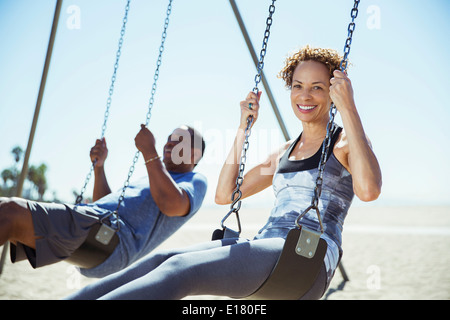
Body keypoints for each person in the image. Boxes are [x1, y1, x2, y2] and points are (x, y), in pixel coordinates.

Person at [65, 45, 382, 299]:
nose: (305, 95)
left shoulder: (344, 142)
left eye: (317, 87)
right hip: (268, 250)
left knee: (181, 270)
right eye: (298, 86)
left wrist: (350, 107)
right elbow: (225, 195)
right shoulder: (285, 151)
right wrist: (243, 129)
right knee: (161, 261)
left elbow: (369, 191)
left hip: (305, 259)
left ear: (332, 92)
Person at [0, 124, 207, 278]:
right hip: (100, 228)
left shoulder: (194, 180)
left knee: (10, 211)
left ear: (194, 153)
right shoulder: (155, 177)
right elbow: (104, 204)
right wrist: (99, 168)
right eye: (169, 138)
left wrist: (149, 152)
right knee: (7, 213)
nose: (169, 142)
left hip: (113, 243)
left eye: (178, 140)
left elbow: (172, 206)